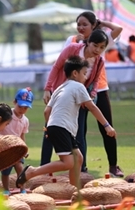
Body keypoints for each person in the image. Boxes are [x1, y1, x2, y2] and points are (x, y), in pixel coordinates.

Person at [42, 11, 124, 177]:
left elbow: (93, 82)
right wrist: (48, 88)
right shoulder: (72, 46)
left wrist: (92, 94)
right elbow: (57, 67)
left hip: (82, 93)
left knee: (79, 131)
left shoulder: (99, 58)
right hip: (63, 93)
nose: (98, 50)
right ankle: (43, 169)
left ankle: (83, 169)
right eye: (95, 46)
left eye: (102, 47)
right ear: (89, 43)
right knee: (51, 129)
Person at [17, 56, 116, 189]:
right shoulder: (79, 86)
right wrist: (107, 126)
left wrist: (48, 129)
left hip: (57, 127)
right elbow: (92, 107)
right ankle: (32, 172)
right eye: (84, 73)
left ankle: (74, 190)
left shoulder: (59, 88)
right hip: (61, 127)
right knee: (68, 162)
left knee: (78, 158)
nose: (86, 77)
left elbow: (46, 111)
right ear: (75, 73)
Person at [0, 88, 33, 195]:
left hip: (18, 148)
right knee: (5, 171)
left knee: (20, 168)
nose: (22, 110)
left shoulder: (25, 120)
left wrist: (24, 148)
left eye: (25, 108)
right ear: (14, 102)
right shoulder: (7, 115)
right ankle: (6, 189)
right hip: (5, 148)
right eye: (20, 106)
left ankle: (22, 188)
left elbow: (22, 135)